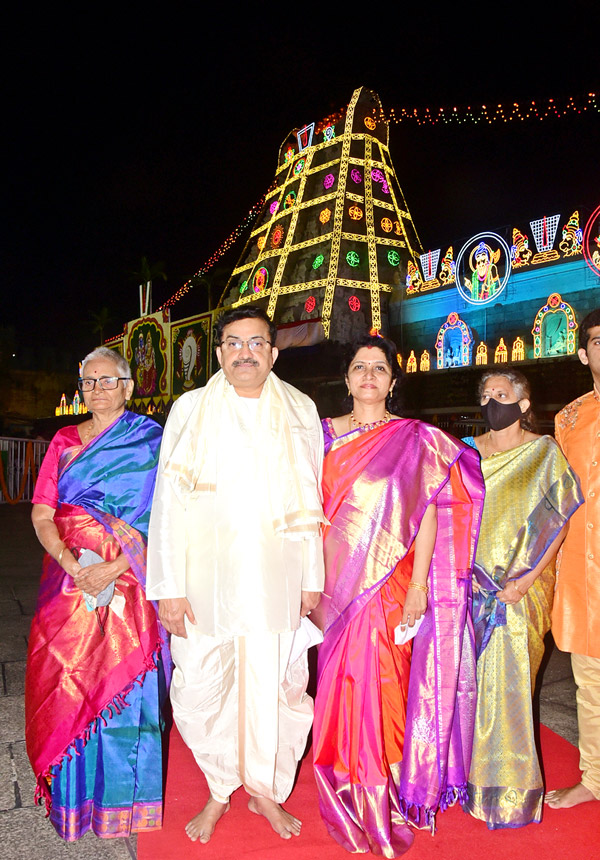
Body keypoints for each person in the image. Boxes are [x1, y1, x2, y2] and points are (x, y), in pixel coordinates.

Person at [146, 306, 325, 843]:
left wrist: (311, 575)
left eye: (255, 343)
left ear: (272, 352)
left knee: (276, 685)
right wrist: (168, 587)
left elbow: (312, 495)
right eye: (232, 343)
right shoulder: (191, 408)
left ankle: (264, 791)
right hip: (205, 578)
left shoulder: (300, 408)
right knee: (203, 682)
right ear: (219, 351)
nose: (244, 352)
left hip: (278, 573)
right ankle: (220, 789)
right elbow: (167, 503)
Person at [311, 334, 485, 858]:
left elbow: (429, 512)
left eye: (379, 369)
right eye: (360, 368)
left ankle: (380, 789)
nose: (369, 376)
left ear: (392, 380)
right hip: (332, 583)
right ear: (346, 380)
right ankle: (342, 778)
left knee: (385, 683)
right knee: (337, 684)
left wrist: (416, 588)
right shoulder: (315, 437)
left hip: (390, 582)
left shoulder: (413, 439)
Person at [26, 347, 169, 841]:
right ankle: (73, 802)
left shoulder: (151, 440)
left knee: (126, 688)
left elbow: (166, 517)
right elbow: (43, 515)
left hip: (127, 579)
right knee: (67, 682)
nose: (98, 390)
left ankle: (124, 806)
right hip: (69, 584)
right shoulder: (64, 441)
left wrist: (113, 566)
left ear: (129, 387)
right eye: (89, 382)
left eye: (109, 381)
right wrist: (73, 565)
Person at [461, 368, 582, 829]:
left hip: (517, 591)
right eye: (487, 394)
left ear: (524, 404)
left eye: (503, 394)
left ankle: (509, 795)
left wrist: (528, 579)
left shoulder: (543, 452)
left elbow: (560, 519)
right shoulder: (468, 453)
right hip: (469, 587)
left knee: (509, 689)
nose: (493, 401)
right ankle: (466, 780)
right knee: (468, 690)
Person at [546, 307, 600, 810]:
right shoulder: (569, 418)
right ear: (584, 353)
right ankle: (595, 779)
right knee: (590, 682)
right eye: (599, 341)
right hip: (586, 572)